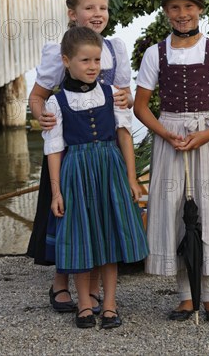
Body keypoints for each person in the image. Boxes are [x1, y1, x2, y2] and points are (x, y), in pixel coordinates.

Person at [133, 0, 209, 324]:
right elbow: (140, 105)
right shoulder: (155, 53)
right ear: (165, 10)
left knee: (206, 212)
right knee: (174, 211)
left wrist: (206, 134)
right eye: (175, 6)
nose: (182, 13)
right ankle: (184, 295)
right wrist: (165, 133)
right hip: (170, 138)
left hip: (205, 136)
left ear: (200, 9)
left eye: (189, 6)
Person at [26, 0, 133, 314]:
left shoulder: (114, 49)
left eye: (102, 8)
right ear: (73, 14)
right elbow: (37, 96)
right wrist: (41, 116)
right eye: (90, 8)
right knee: (69, 217)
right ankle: (61, 282)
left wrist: (127, 98)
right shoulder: (61, 51)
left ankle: (94, 290)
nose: (97, 14)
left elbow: (124, 98)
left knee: (100, 216)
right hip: (70, 147)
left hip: (106, 146)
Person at [44, 26, 148, 329]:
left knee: (110, 234)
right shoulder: (57, 102)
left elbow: (124, 135)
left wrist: (131, 176)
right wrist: (56, 192)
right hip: (75, 172)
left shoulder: (112, 94)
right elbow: (53, 149)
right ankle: (85, 305)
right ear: (66, 61)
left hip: (109, 168)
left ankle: (111, 304)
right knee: (81, 236)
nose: (92, 67)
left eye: (96, 60)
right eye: (85, 61)